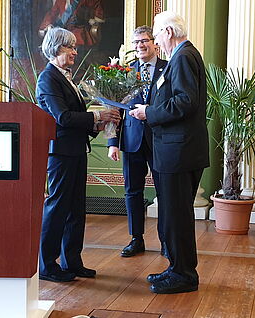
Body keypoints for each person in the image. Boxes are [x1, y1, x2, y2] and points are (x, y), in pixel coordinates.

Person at [129, 11, 209, 294]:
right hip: (176, 149)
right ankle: (177, 268)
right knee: (175, 214)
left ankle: (184, 275)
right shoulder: (181, 56)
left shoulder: (183, 57)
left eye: (158, 35)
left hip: (179, 151)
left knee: (177, 214)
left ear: (168, 32)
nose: (157, 41)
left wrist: (148, 112)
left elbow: (186, 101)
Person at [36, 27, 120, 282]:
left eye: (74, 47)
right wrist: (98, 115)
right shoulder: (47, 78)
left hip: (75, 150)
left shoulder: (66, 77)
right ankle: (48, 266)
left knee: (76, 209)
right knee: (58, 207)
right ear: (56, 48)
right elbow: (62, 117)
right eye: (70, 47)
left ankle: (72, 262)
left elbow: (74, 119)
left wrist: (98, 124)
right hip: (60, 154)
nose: (75, 51)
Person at [107, 26, 168, 258]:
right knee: (132, 191)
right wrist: (113, 141)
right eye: (136, 42)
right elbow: (114, 109)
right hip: (132, 140)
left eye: (144, 41)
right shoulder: (125, 73)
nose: (140, 46)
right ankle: (136, 239)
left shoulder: (168, 69)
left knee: (164, 192)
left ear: (155, 43)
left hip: (160, 140)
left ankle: (165, 240)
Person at [38, 0, 104, 48]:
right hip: (64, 29)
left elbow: (99, 15)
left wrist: (91, 20)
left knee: (74, 42)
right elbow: (52, 13)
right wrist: (46, 25)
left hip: (80, 29)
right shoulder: (61, 1)